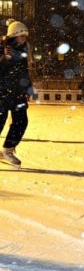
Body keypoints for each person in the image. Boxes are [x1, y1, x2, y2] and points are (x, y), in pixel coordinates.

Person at [0, 21, 34, 167]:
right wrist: (4, 60)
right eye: (22, 36)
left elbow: (23, 72)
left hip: (18, 94)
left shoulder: (23, 50)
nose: (25, 38)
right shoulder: (2, 48)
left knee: (21, 122)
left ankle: (7, 150)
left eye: (25, 36)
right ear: (14, 35)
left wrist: (29, 88)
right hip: (1, 93)